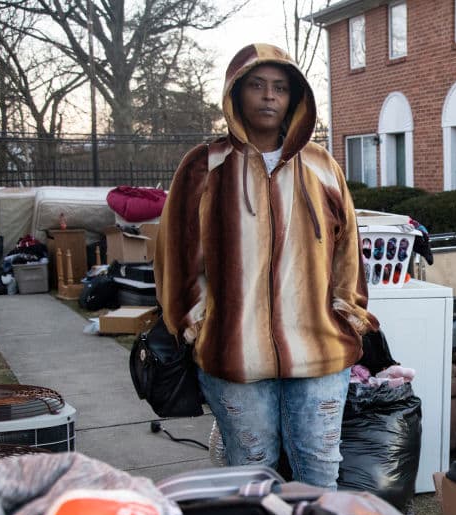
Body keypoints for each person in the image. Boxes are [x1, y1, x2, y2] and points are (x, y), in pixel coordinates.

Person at [154, 44, 377, 489]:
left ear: (294, 97)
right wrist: (198, 324)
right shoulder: (204, 166)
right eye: (256, 85)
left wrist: (347, 313)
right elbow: (176, 256)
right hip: (235, 351)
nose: (269, 97)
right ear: (236, 94)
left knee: (320, 470)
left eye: (280, 87)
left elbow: (347, 248)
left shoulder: (321, 166)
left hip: (320, 349)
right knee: (251, 471)